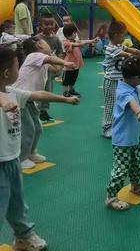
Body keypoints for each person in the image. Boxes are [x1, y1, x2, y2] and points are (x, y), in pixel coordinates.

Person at [0, 47, 79, 251]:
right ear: (6, 73)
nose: (20, 69)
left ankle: (24, 237)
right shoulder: (5, 96)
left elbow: (38, 94)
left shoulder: (12, 92)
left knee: (17, 204)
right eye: (18, 65)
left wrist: (65, 99)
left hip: (12, 160)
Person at [16, 37, 75, 170]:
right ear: (39, 45)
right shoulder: (34, 56)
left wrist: (60, 61)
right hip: (21, 98)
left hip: (31, 100)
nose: (48, 45)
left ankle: (31, 153)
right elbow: (51, 61)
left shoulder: (43, 60)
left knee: (37, 128)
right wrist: (64, 62)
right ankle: (21, 158)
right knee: (28, 129)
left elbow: (56, 70)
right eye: (45, 43)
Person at [105, 56, 140, 211]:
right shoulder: (123, 92)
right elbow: (131, 102)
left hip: (134, 138)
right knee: (121, 169)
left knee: (136, 164)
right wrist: (139, 112)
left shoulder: (132, 86)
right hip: (123, 141)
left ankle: (135, 185)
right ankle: (111, 197)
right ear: (135, 77)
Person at [102, 21, 140, 138]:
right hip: (111, 81)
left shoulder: (119, 45)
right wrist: (139, 61)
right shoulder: (110, 48)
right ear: (116, 35)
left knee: (121, 103)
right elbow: (128, 55)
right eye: (123, 35)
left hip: (121, 81)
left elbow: (134, 51)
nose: (125, 38)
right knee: (110, 104)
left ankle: (116, 125)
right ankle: (107, 127)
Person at [36, 13, 64, 123]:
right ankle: (37, 111)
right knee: (39, 89)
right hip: (39, 70)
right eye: (46, 24)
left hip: (51, 71)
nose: (49, 26)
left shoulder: (56, 39)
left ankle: (44, 112)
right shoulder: (37, 38)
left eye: (51, 24)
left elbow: (61, 53)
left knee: (48, 90)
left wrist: (60, 67)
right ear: (40, 25)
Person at [62, 24, 99, 97]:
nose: (75, 34)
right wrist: (85, 43)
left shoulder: (75, 40)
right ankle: (65, 91)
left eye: (75, 32)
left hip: (76, 64)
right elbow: (78, 44)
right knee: (67, 79)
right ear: (67, 34)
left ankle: (72, 90)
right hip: (69, 65)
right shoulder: (66, 43)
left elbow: (82, 41)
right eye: (73, 33)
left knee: (73, 78)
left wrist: (92, 41)